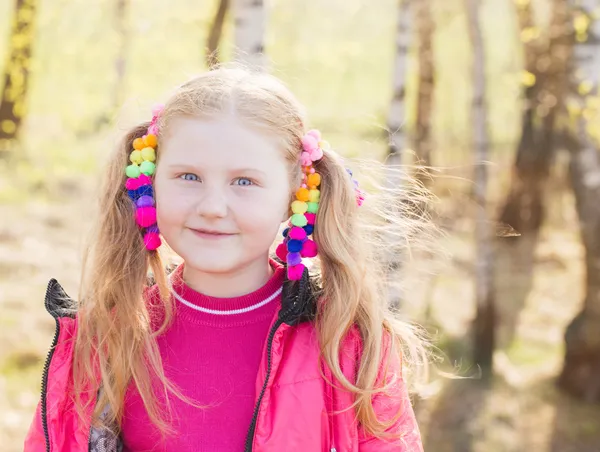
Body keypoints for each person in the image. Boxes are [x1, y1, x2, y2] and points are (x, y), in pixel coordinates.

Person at [24, 66, 429, 451]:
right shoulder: (105, 337)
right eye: (189, 177)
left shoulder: (347, 344)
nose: (213, 206)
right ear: (149, 179)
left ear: (294, 194)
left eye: (244, 182)